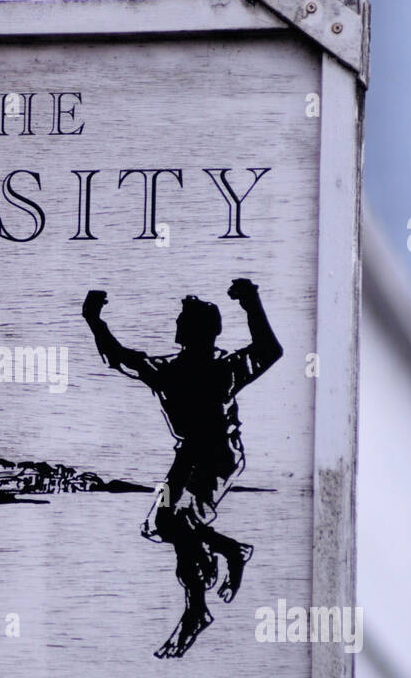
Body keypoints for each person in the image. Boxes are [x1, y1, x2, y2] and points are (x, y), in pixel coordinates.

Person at [82, 279, 283, 658]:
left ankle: (196, 610)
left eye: (184, 321)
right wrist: (93, 320)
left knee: (180, 521)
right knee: (161, 524)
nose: (177, 326)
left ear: (202, 331)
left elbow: (270, 349)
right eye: (179, 320)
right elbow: (117, 356)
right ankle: (230, 550)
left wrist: (252, 301)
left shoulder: (225, 368)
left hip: (219, 456)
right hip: (186, 456)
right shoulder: (165, 370)